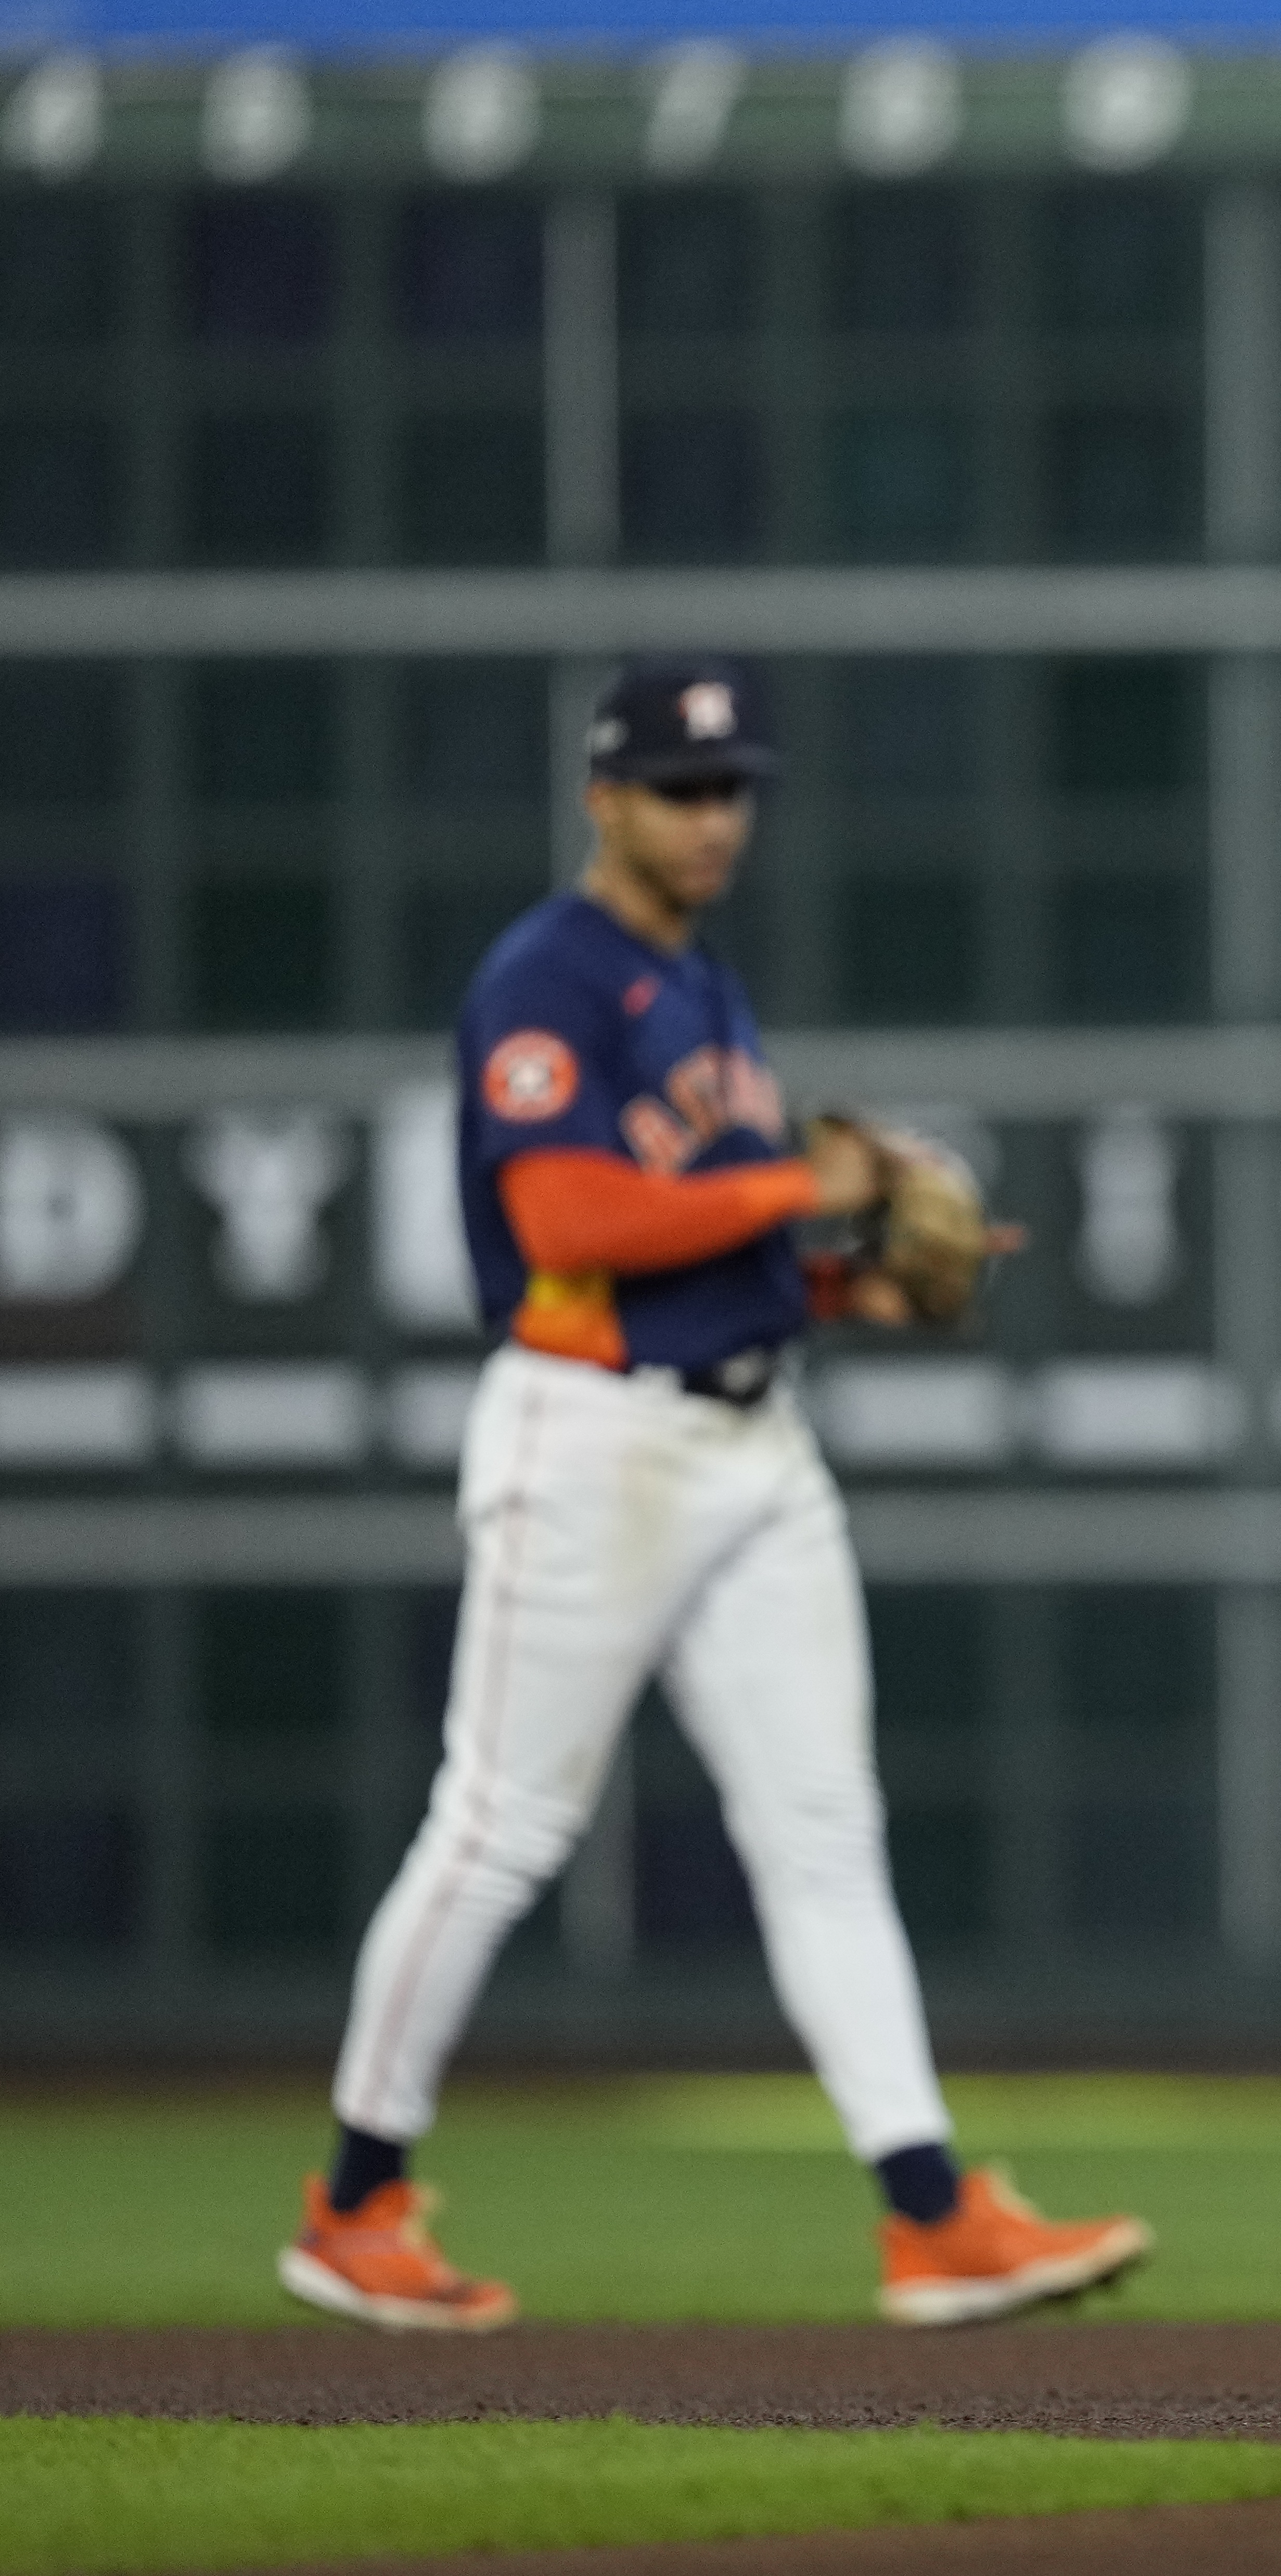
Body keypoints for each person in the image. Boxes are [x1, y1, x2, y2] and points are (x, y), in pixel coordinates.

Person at [277, 656, 1148, 2333]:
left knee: (826, 1835)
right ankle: (354, 2203)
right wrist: (800, 1180)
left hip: (753, 1439)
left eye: (732, 787)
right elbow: (571, 1227)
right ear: (603, 797)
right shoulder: (549, 980)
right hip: (593, 1440)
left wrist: (835, 1288)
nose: (713, 816)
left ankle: (929, 2213)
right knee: (501, 1829)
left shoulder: (705, 989)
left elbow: (713, 1245)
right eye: (682, 787)